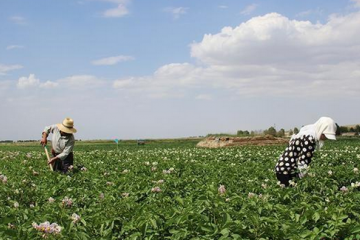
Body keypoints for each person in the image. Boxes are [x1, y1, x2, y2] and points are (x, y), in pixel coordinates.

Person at [275, 117, 337, 186]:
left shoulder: (306, 134)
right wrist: (305, 179)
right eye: (325, 135)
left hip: (283, 168)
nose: (325, 138)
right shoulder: (310, 139)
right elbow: (303, 161)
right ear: (321, 129)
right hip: (287, 171)